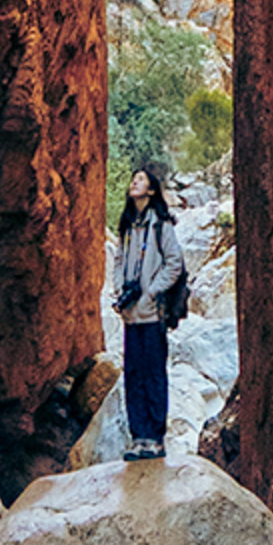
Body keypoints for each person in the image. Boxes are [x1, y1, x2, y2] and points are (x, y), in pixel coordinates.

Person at [111, 165, 186, 460]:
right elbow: (118, 260)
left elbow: (174, 263)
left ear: (151, 190)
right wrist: (120, 289)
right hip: (131, 315)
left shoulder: (161, 226)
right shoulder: (128, 226)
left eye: (140, 179)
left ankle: (155, 438)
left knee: (154, 374)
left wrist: (152, 291)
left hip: (153, 315)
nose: (134, 182)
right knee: (133, 375)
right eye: (133, 179)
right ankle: (139, 437)